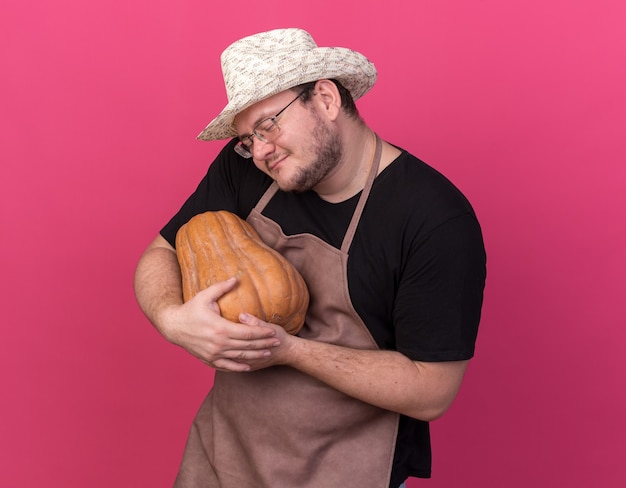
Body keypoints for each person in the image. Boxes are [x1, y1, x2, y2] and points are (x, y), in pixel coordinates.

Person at [134, 28, 486, 488]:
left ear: (324, 99)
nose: (259, 151)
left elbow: (430, 391)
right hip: (223, 459)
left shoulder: (432, 218)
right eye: (246, 138)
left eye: (267, 125)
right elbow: (161, 251)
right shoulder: (243, 167)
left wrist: (289, 350)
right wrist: (171, 320)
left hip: (346, 471)